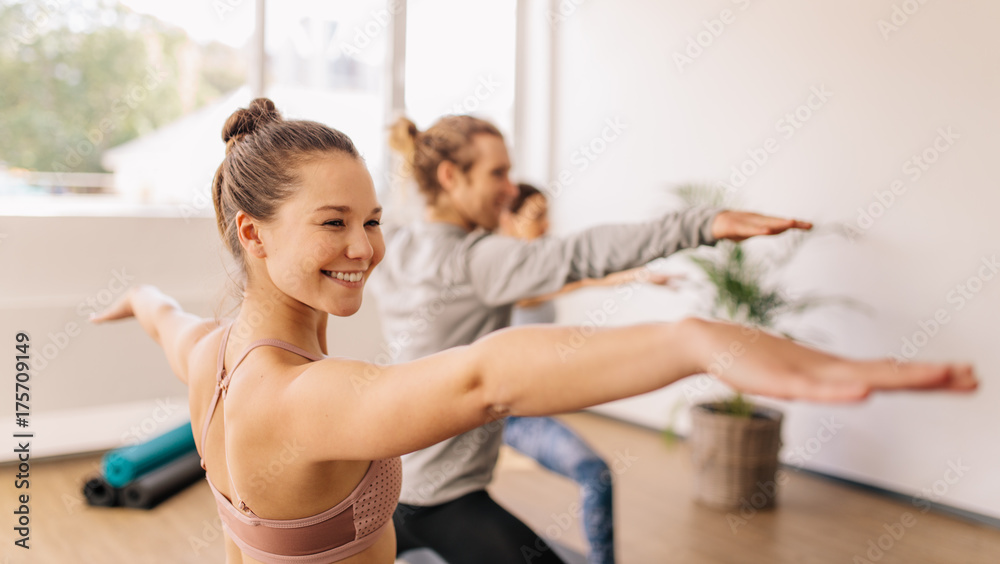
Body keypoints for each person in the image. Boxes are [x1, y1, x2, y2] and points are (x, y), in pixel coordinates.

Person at [90, 99, 976, 564]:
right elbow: (486, 377)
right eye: (333, 224)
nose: (366, 247)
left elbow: (164, 315)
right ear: (254, 232)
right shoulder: (305, 397)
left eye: (372, 219)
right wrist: (693, 343)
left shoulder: (211, 351)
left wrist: (137, 297)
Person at [370, 114, 975, 564]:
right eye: (498, 173)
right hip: (440, 496)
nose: (511, 186)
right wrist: (699, 223)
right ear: (450, 176)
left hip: (392, 481)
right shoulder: (478, 261)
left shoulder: (395, 241)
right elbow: (580, 253)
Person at [498, 182, 681, 564]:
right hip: (494, 413)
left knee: (595, 475)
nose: (546, 224)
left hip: (523, 410)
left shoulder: (535, 268)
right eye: (536, 215)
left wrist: (638, 276)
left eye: (547, 213)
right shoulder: (504, 274)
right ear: (508, 219)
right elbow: (573, 280)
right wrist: (635, 275)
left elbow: (574, 279)